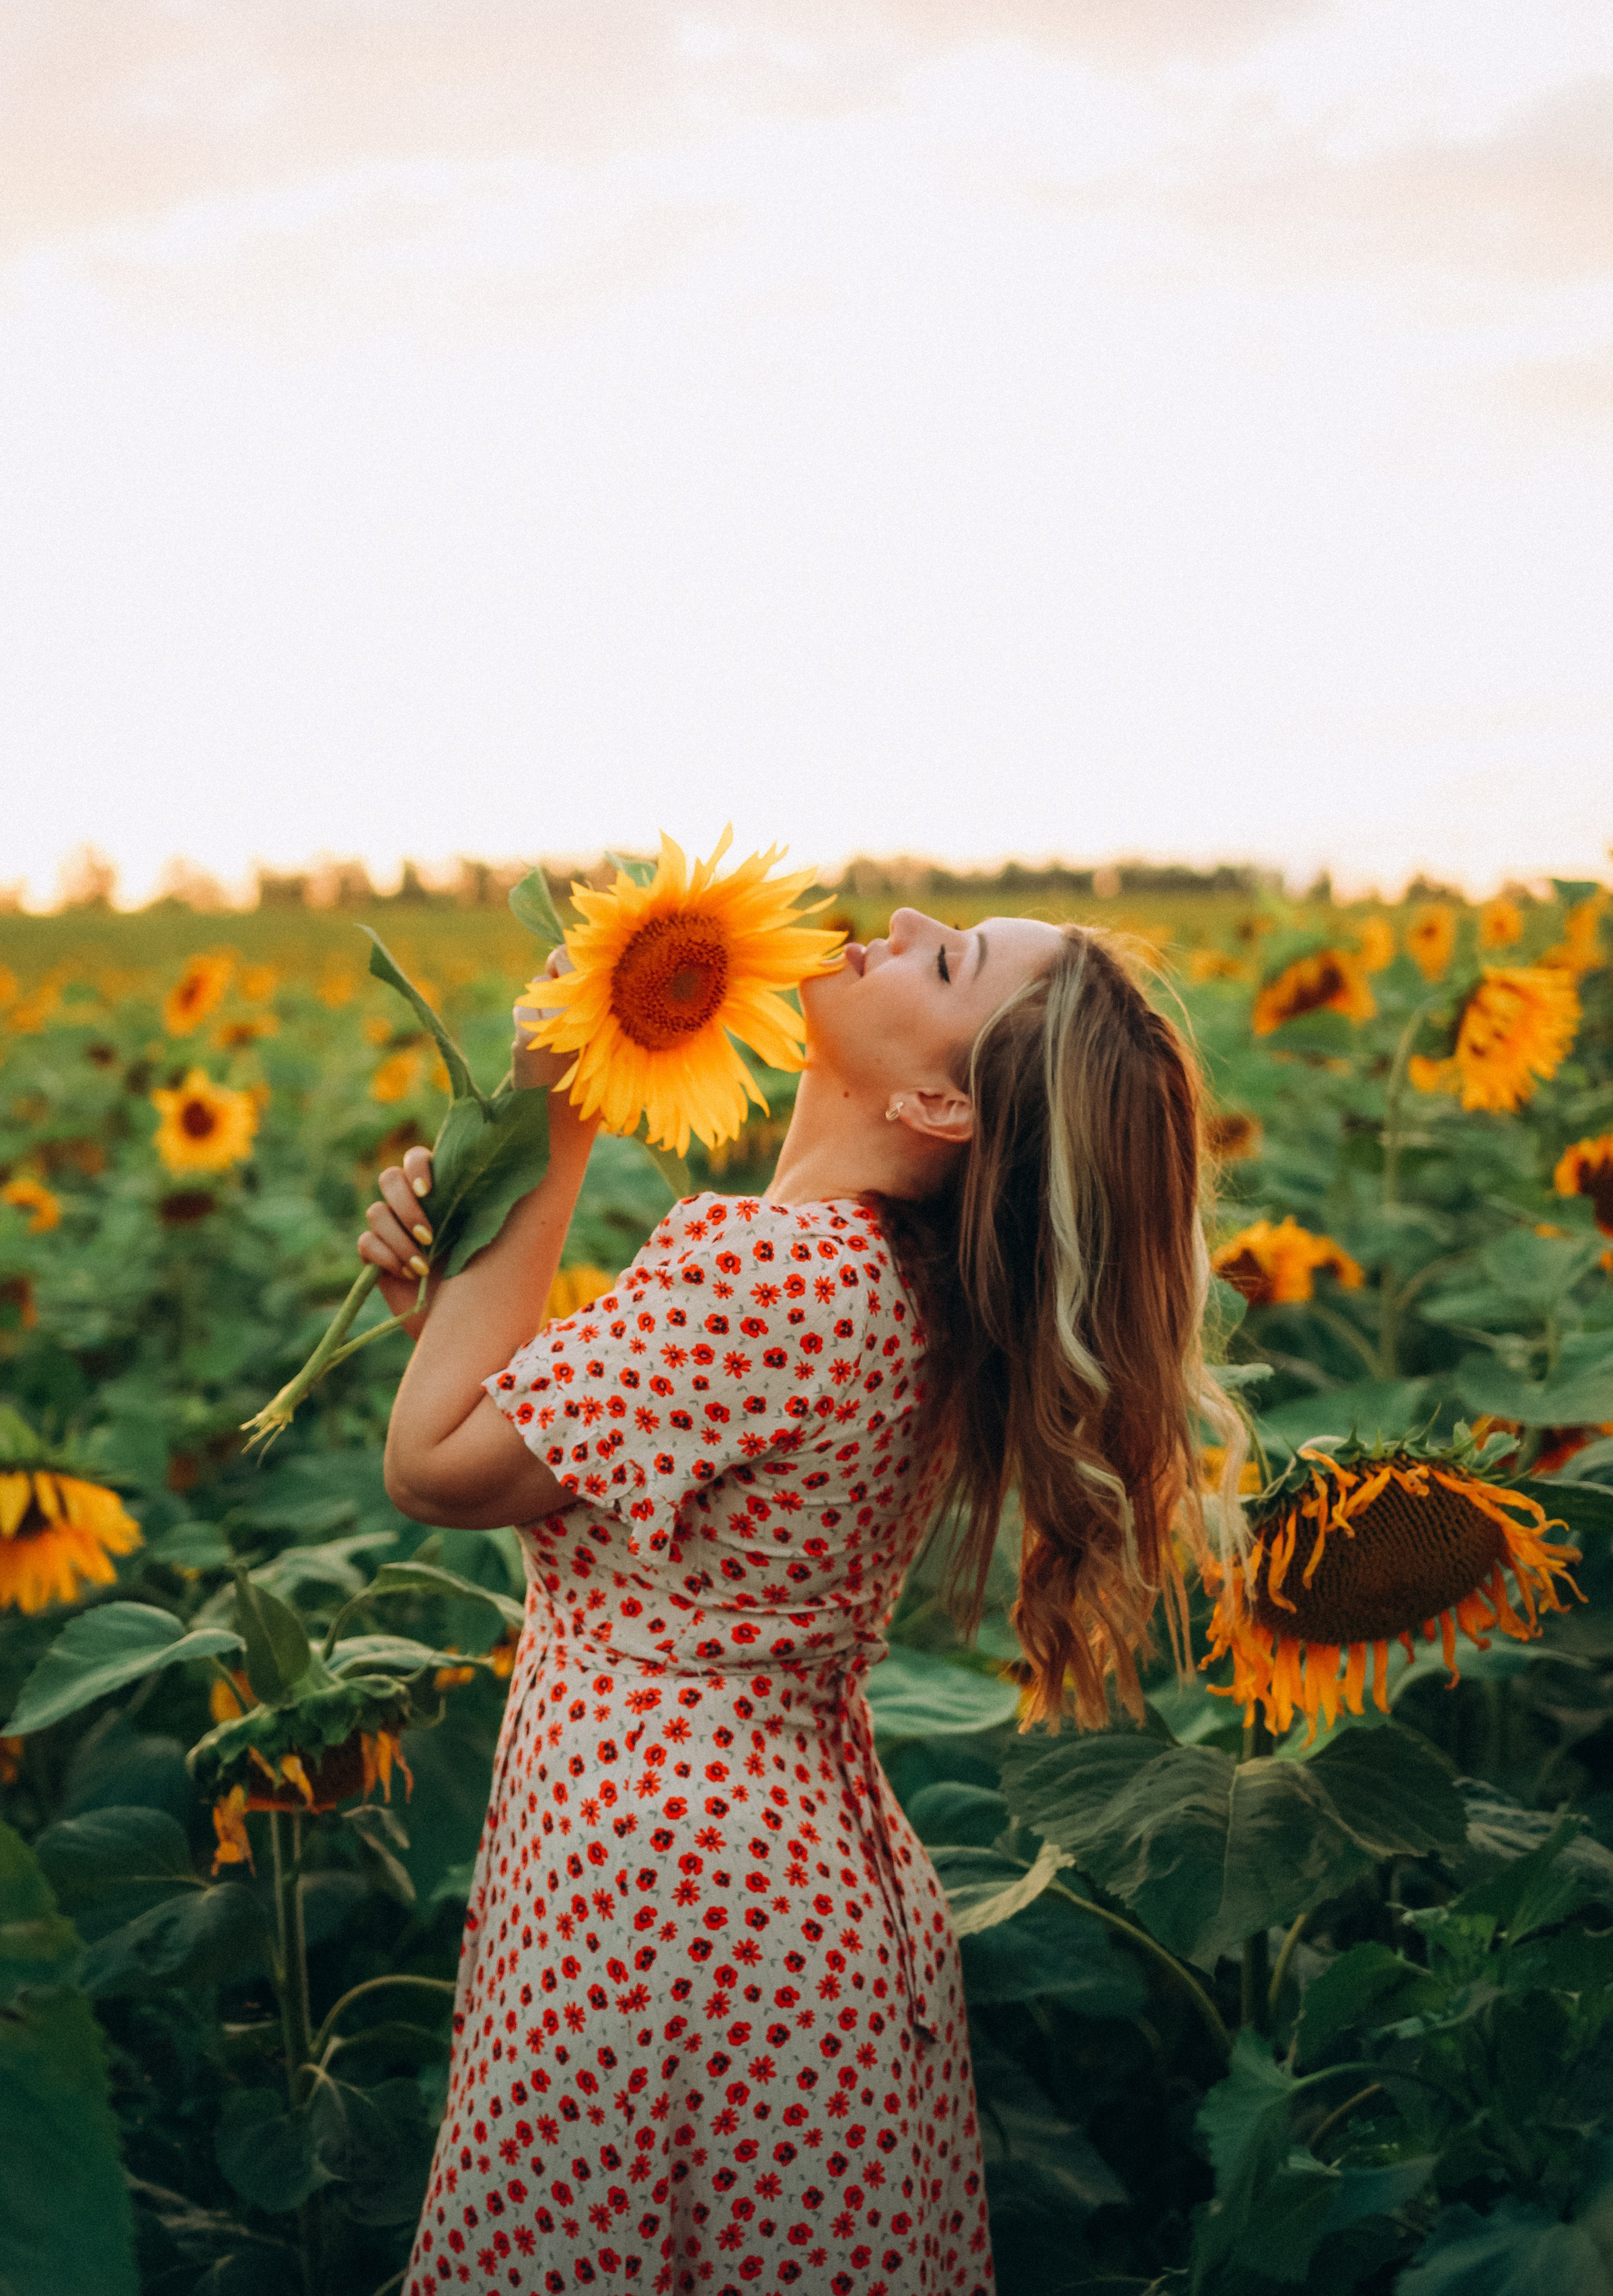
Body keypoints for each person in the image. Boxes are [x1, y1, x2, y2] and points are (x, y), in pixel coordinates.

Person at [361, 907, 1243, 2296]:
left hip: (666, 1899)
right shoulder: (886, 1284)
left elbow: (435, 1466)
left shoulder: (769, 1271)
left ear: (940, 1105)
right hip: (780, 1894)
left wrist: (556, 1112)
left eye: (946, 961)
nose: (903, 921)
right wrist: (450, 1296)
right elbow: (558, 1459)